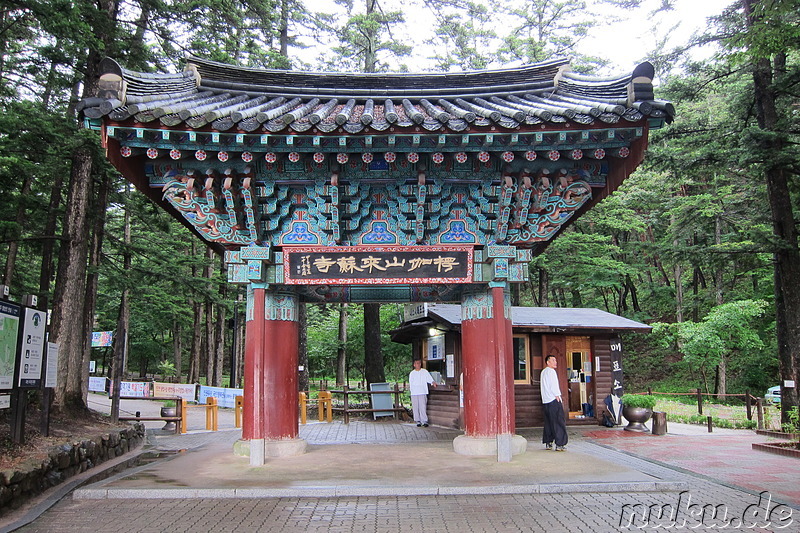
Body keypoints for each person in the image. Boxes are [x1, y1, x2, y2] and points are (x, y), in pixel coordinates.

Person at [540, 354, 568, 451]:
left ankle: (548, 442)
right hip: (553, 399)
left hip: (546, 400)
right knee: (558, 421)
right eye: (553, 360)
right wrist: (557, 396)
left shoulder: (543, 372)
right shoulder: (551, 372)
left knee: (548, 422)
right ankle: (560, 444)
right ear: (548, 362)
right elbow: (554, 386)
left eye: (555, 360)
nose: (555, 362)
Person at [409, 358, 437, 427]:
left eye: (419, 363)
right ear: (414, 364)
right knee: (416, 407)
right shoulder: (412, 373)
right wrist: (411, 391)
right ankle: (417, 420)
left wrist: (432, 382)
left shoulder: (424, 372)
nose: (419, 365)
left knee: (423, 406)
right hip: (414, 392)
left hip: (423, 391)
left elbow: (429, 379)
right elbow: (411, 383)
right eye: (417, 363)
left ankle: (424, 421)